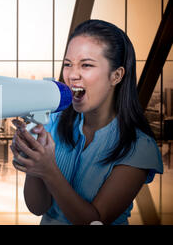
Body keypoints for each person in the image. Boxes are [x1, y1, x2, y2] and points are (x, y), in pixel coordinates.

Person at [11, 19, 163, 225]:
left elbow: (94, 221)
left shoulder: (138, 147)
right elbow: (38, 207)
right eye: (67, 64)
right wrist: (33, 162)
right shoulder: (52, 123)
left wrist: (49, 170)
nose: (72, 75)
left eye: (86, 65)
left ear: (116, 76)